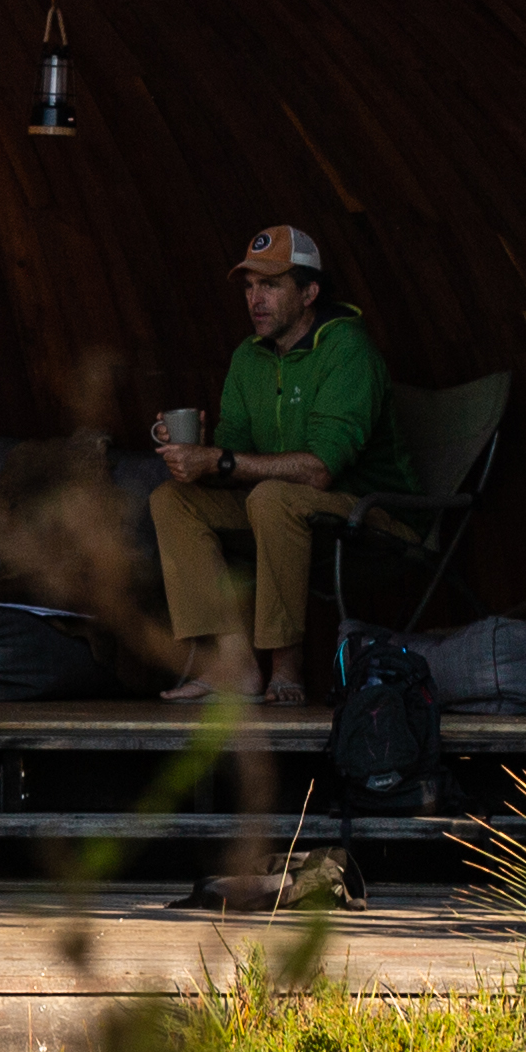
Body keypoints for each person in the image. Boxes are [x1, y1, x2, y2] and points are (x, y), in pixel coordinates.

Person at [147, 223, 408, 706]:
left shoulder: (347, 349)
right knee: (173, 500)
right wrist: (194, 452)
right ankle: (235, 666)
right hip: (284, 509)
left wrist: (219, 460)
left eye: (270, 285)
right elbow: (232, 457)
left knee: (272, 497)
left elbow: (319, 470)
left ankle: (285, 670)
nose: (255, 299)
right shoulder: (249, 357)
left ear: (309, 292)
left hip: (373, 519)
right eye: (249, 287)